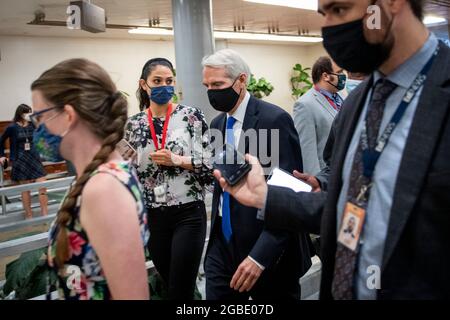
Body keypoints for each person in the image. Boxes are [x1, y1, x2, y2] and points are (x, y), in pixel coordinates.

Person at [213, 0, 450, 300]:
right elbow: (348, 208)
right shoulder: (356, 103)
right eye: (324, 14)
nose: (328, 27)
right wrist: (267, 197)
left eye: (340, 9)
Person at [31, 58, 149, 300]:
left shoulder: (104, 188)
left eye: (39, 117)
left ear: (68, 115)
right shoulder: (94, 178)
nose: (37, 128)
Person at [202, 49, 313, 300]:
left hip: (267, 250)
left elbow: (289, 196)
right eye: (207, 85)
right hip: (223, 246)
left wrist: (260, 256)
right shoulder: (217, 125)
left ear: (241, 81)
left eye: (218, 84)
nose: (212, 92)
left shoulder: (274, 120)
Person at [124, 58, 213, 300]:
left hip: (188, 213)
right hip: (153, 216)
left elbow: (209, 163)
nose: (164, 85)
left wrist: (177, 160)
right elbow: (127, 170)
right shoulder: (132, 125)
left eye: (169, 81)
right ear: (144, 85)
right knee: (169, 282)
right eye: (157, 81)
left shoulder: (191, 117)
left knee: (180, 289)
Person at [293, 56, 346, 175]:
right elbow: (307, 150)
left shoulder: (343, 98)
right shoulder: (304, 104)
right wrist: (317, 182)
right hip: (326, 175)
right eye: (339, 72)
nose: (343, 76)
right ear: (325, 76)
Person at [0, 104, 48, 219]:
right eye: (27, 113)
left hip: (34, 157)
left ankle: (45, 215)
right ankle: (29, 215)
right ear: (20, 113)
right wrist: (1, 156)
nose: (29, 115)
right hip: (20, 159)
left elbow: (42, 137)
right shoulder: (12, 127)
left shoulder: (33, 125)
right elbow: (0, 141)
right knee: (25, 189)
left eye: (30, 112)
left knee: (43, 185)